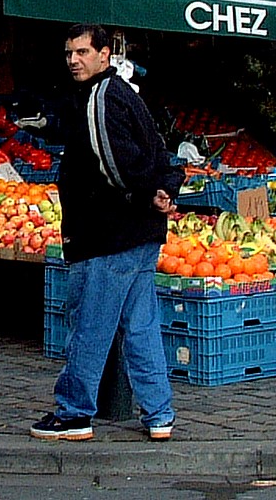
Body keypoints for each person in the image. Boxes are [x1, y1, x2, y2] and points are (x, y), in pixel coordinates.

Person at [30, 23, 183, 442]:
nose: (74, 60)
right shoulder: (128, 95)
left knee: (90, 326)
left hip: (108, 234)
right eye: (68, 54)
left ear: (104, 55)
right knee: (141, 326)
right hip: (139, 235)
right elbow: (159, 150)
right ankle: (159, 414)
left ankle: (75, 412)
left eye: (82, 52)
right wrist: (165, 189)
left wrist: (146, 194)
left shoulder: (100, 98)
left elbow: (115, 165)